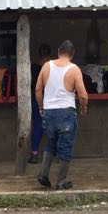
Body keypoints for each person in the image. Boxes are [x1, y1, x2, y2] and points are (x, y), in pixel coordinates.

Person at [35, 40, 88, 190]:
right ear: (72, 54)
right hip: (66, 113)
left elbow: (38, 90)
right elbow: (83, 95)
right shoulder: (74, 69)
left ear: (58, 52)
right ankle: (61, 180)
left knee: (51, 143)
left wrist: (41, 107)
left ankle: (43, 174)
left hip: (49, 113)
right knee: (66, 147)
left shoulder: (46, 66)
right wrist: (83, 109)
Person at [28, 43, 52, 164]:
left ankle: (34, 154)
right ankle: (53, 155)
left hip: (37, 100)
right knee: (53, 128)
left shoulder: (34, 69)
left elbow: (35, 88)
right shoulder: (52, 68)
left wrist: (39, 103)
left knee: (38, 127)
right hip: (51, 101)